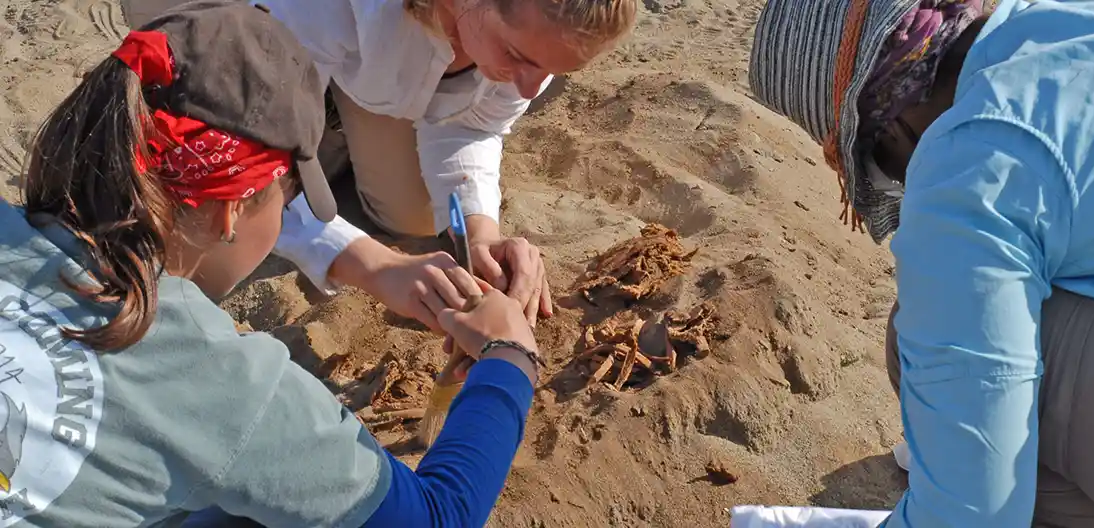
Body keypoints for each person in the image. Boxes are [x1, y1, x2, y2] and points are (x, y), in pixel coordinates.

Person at [5, 2, 541, 526]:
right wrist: (508, 359)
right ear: (232, 212)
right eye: (288, 196)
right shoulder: (224, 385)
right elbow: (439, 516)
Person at [750, 0, 1094, 526]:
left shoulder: (969, 164)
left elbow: (967, 518)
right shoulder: (1080, 19)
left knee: (918, 343)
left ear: (890, 133)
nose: (901, 185)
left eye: (885, 173)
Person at [120, 0, 637, 331]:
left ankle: (328, 117)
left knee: (415, 215)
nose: (529, 87)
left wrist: (479, 232)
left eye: (551, 70)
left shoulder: (518, 34)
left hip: (358, 49)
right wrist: (374, 265)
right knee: (211, 224)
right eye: (519, 56)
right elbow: (245, 158)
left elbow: (471, 123)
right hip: (245, 27)